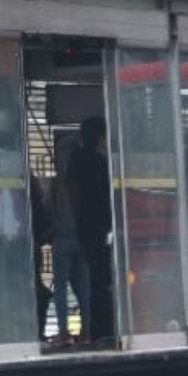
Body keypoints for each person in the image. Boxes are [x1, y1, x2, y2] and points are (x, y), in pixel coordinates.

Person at [67, 117, 113, 343]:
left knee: (92, 280)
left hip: (84, 227)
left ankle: (96, 329)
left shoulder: (76, 161)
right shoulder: (98, 163)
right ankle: (103, 329)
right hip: (98, 227)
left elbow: (73, 195)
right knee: (101, 281)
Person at [50, 135, 90, 345]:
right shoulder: (85, 179)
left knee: (60, 287)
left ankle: (64, 332)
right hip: (83, 238)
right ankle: (87, 332)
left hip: (62, 237)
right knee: (84, 287)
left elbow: (50, 207)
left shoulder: (58, 181)